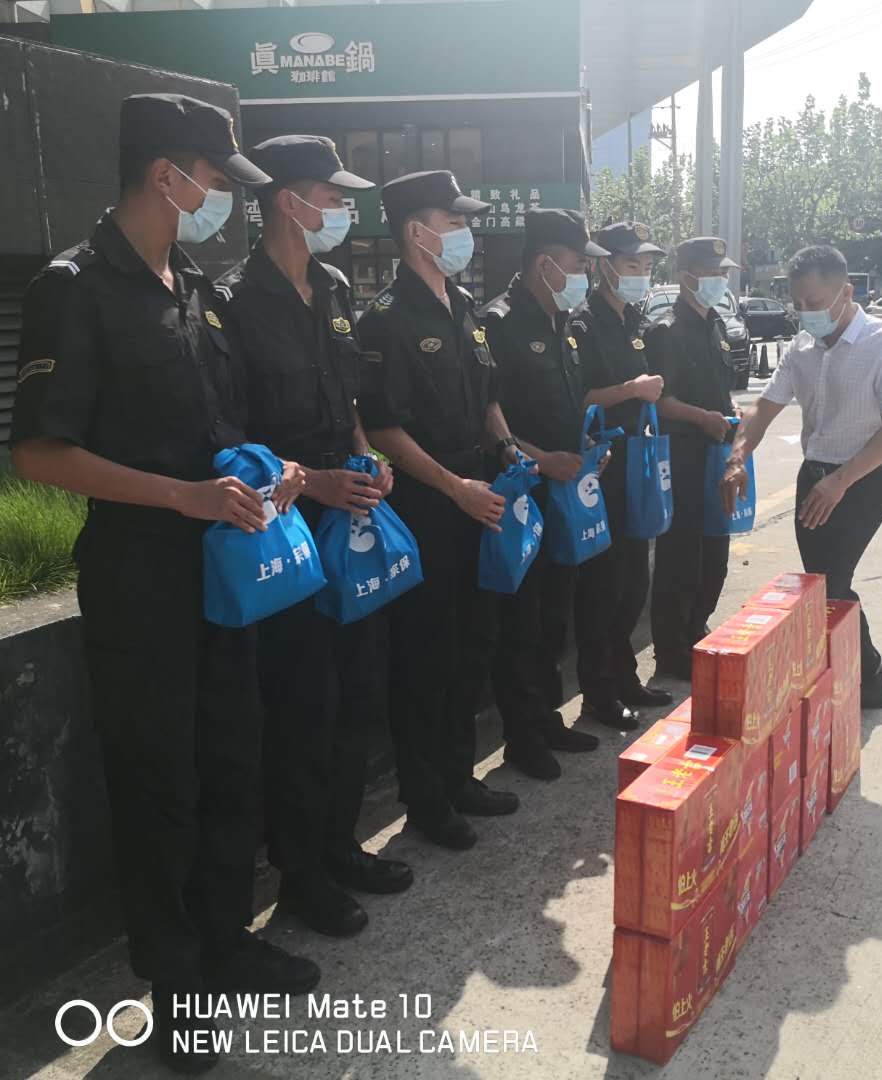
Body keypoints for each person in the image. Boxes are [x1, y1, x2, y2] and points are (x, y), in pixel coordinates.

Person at [10, 94, 318, 1074]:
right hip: (141, 582)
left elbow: (218, 424)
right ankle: (180, 990)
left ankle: (227, 944)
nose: (224, 200)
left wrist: (270, 470)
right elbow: (40, 453)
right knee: (161, 787)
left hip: (223, 572)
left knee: (231, 762)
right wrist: (179, 497)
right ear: (166, 176)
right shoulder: (75, 287)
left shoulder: (193, 285)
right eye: (217, 181)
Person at [215, 136, 413, 940]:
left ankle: (339, 845)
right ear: (288, 201)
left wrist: (367, 459)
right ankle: (301, 875)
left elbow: (350, 402)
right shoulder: (233, 302)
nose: (343, 211)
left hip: (348, 520)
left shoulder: (331, 287)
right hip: (285, 532)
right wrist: (314, 481)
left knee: (357, 695)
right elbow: (230, 433)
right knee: (303, 707)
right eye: (332, 197)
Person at [355, 170, 521, 850]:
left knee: (471, 646)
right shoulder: (386, 318)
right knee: (425, 655)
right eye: (454, 222)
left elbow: (487, 396)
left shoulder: (464, 307)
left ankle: (459, 776)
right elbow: (384, 425)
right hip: (427, 503)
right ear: (416, 231)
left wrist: (506, 448)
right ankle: (425, 798)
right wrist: (454, 486)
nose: (465, 234)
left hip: (477, 495)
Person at [723, 244, 882, 710]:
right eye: (797, 303)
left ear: (846, 292)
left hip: (864, 479)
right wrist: (737, 458)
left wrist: (841, 481)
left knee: (833, 581)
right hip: (813, 475)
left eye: (813, 302)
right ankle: (845, 673)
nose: (804, 312)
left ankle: (866, 676)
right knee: (821, 584)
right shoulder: (802, 348)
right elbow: (763, 409)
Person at [479, 209, 605, 780]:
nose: (584, 275)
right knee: (521, 622)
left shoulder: (564, 323)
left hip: (565, 494)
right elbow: (487, 417)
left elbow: (569, 407)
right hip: (521, 494)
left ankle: (548, 717)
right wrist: (539, 459)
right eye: (579, 264)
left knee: (555, 614)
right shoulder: (499, 323)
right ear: (545, 263)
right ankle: (522, 736)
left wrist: (587, 449)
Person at [569, 221, 673, 731]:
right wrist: (631, 389)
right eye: (633, 265)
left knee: (635, 580)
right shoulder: (583, 324)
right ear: (604, 266)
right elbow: (580, 398)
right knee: (603, 586)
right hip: (602, 465)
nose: (641, 274)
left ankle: (624, 675)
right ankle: (598, 691)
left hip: (637, 459)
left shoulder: (633, 318)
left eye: (647, 266)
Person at [646, 236, 740, 680]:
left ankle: (696, 627)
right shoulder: (666, 331)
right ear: (687, 278)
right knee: (681, 556)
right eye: (713, 274)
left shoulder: (716, 324)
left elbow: (723, 390)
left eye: (724, 273)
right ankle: (671, 649)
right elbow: (660, 401)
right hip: (683, 456)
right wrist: (702, 418)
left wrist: (730, 415)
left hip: (717, 452)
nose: (721, 281)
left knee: (715, 553)